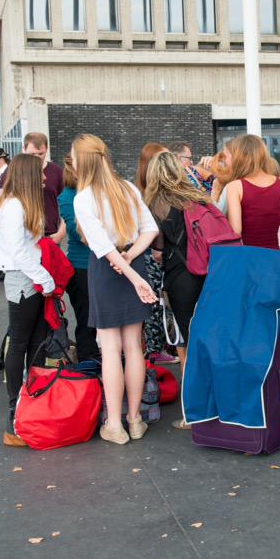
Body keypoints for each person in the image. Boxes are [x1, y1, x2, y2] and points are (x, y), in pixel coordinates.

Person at [72, 134, 159, 445]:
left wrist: (129, 270)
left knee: (110, 349)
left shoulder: (83, 198)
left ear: (81, 161)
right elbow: (150, 229)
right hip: (130, 263)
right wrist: (132, 259)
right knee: (133, 346)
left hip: (107, 271)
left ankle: (114, 424)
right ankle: (135, 420)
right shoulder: (128, 188)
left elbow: (102, 247)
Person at [143, 151, 210, 429]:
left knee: (187, 345)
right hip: (208, 272)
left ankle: (195, 413)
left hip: (180, 278)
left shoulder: (156, 204)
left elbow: (157, 250)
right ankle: (216, 403)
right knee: (205, 339)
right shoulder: (197, 198)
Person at [0, 154, 56, 447]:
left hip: (29, 278)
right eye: (40, 174)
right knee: (21, 341)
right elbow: (19, 252)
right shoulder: (15, 207)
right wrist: (44, 278)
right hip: (24, 279)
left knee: (34, 340)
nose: (45, 178)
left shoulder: (17, 204)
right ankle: (17, 404)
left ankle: (29, 397)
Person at [135, 143, 176, 364]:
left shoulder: (141, 190)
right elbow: (154, 225)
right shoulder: (148, 192)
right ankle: (154, 348)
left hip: (151, 252)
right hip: (152, 254)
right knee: (154, 300)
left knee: (157, 300)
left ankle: (157, 345)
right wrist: (158, 249)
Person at [225, 134, 280, 250]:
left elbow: (236, 230)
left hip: (250, 258)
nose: (226, 159)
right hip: (275, 255)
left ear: (238, 156)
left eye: (228, 155)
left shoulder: (235, 186)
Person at [58, 155, 98, 362]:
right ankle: (88, 363)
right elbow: (78, 234)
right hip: (81, 267)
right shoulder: (67, 197)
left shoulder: (95, 193)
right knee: (86, 320)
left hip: (100, 264)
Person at [22, 132, 66, 242]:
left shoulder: (57, 171)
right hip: (24, 234)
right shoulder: (15, 171)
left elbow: (66, 204)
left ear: (47, 149)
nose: (36, 158)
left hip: (50, 233)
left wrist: (61, 232)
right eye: (32, 154)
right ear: (24, 149)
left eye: (40, 154)